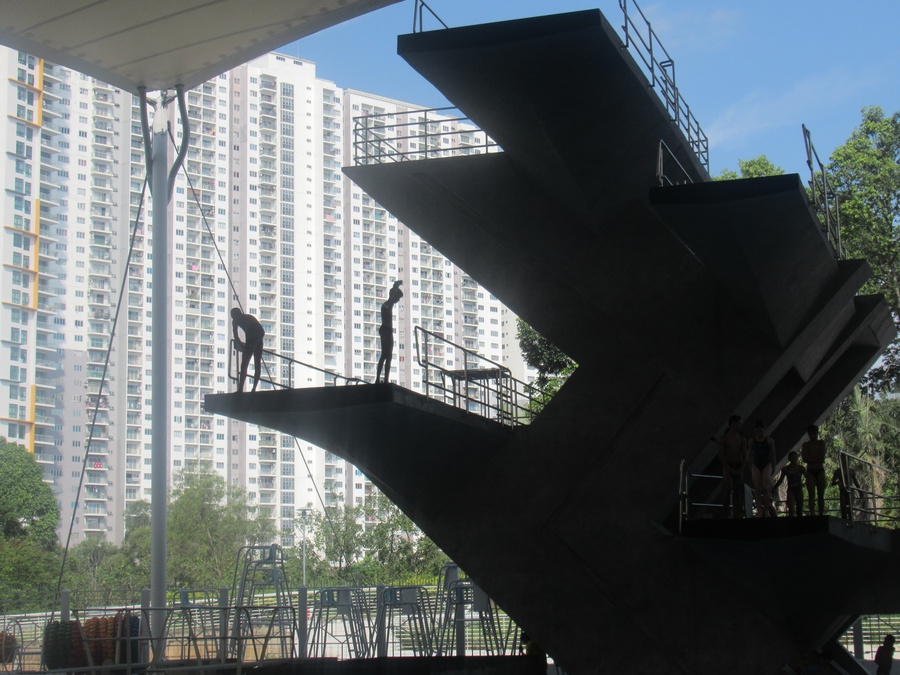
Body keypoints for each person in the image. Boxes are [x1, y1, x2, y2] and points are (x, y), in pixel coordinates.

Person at [716, 415, 748, 518]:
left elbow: (745, 455)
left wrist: (741, 469)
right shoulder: (724, 438)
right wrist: (728, 467)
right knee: (727, 488)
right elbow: (721, 454)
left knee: (737, 491)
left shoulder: (742, 439)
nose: (741, 425)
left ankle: (736, 514)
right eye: (739, 423)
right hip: (728, 466)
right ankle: (725, 514)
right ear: (733, 423)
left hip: (738, 466)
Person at [231, 307, 265, 393]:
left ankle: (254, 388)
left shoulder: (249, 318)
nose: (235, 319)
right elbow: (235, 335)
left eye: (235, 317)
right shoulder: (235, 321)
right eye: (234, 318)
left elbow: (262, 332)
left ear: (239, 314)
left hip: (258, 341)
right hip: (249, 342)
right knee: (244, 365)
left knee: (257, 364)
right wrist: (241, 346)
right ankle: (240, 389)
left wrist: (255, 344)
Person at [375, 280, 403, 384]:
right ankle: (378, 378)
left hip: (388, 331)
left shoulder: (388, 306)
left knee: (389, 356)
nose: (397, 300)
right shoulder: (386, 305)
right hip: (385, 330)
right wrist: (396, 287)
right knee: (384, 355)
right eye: (397, 298)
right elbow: (391, 301)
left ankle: (385, 378)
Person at [749, 421, 777, 517]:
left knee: (765, 488)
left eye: (761, 431)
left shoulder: (769, 441)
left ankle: (766, 510)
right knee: (756, 488)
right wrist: (750, 466)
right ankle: (760, 511)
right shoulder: (751, 441)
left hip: (766, 463)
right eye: (758, 431)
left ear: (765, 431)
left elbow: (773, 455)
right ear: (755, 431)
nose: (760, 433)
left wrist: (773, 466)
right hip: (755, 464)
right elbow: (749, 455)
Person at [801, 424, 827, 516]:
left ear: (817, 433)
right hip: (811, 471)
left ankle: (821, 513)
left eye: (814, 434)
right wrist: (815, 458)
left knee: (821, 494)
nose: (813, 436)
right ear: (808, 434)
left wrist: (811, 458)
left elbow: (822, 458)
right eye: (811, 434)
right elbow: (804, 459)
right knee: (811, 494)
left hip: (819, 469)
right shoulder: (806, 445)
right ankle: (812, 514)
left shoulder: (821, 443)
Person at [774, 451, 807, 517]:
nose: (794, 459)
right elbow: (780, 480)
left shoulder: (801, 468)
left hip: (799, 489)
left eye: (795, 457)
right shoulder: (785, 469)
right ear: (789, 458)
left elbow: (808, 477)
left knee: (799, 510)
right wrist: (774, 488)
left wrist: (805, 484)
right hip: (791, 489)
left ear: (797, 458)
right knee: (791, 510)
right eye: (792, 457)